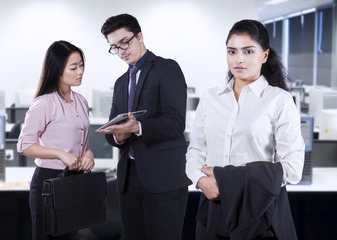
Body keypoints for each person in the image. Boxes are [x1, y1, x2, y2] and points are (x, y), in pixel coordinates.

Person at [186, 19, 305, 240]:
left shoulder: (279, 100)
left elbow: (293, 168)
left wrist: (227, 179)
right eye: (232, 51)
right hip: (213, 208)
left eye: (248, 51)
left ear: (265, 55)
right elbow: (195, 151)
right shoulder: (211, 98)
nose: (239, 59)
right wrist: (200, 180)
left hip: (258, 209)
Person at [98, 13, 191, 240]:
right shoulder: (121, 83)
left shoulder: (166, 69)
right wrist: (118, 136)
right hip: (129, 181)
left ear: (140, 36)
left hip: (163, 180)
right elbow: (114, 131)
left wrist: (137, 126)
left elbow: (176, 123)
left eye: (125, 42)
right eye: (114, 47)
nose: (121, 51)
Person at [17, 40, 95, 240]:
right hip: (49, 181)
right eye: (74, 67)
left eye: (82, 65)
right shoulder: (44, 103)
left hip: (74, 180)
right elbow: (24, 145)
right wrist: (60, 154)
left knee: (70, 236)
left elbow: (82, 143)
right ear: (58, 69)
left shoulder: (81, 101)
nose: (80, 71)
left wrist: (88, 154)